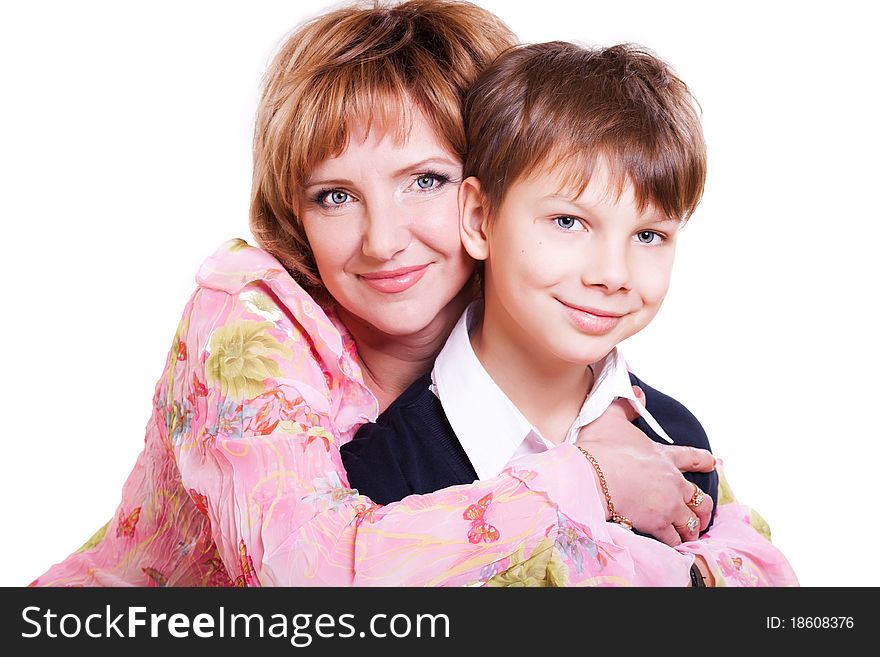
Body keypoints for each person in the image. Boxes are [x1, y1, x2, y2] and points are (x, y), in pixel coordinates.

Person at [32, 0, 753, 588]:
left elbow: (734, 542)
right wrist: (585, 478)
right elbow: (307, 584)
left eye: (425, 181)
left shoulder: (539, 343)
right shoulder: (248, 322)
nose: (382, 240)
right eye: (335, 194)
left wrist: (604, 414)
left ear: (488, 200)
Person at [341, 41, 799, 586]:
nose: (612, 273)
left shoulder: (672, 440)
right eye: (568, 222)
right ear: (480, 220)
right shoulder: (383, 472)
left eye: (649, 234)